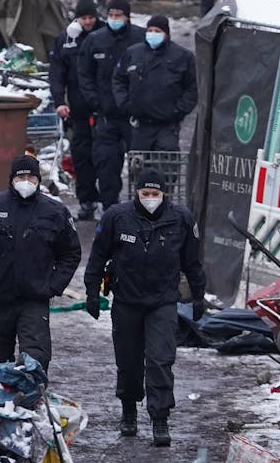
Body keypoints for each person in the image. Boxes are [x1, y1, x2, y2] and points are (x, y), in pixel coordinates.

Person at [82, 169, 206, 446]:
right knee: (128, 361)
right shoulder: (117, 217)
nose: (150, 199)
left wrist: (199, 296)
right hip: (126, 300)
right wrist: (92, 292)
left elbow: (193, 262)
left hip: (162, 301)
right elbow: (98, 256)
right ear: (137, 192)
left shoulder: (180, 220)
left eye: (156, 194)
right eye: (145, 193)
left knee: (161, 359)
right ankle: (128, 409)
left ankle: (160, 417)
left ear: (164, 195)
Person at [0, 155, 83, 372]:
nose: (26, 181)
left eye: (31, 177)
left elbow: (71, 253)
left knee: (35, 360)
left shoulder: (55, 212)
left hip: (34, 299)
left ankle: (31, 399)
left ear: (38, 180)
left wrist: (54, 285)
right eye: (21, 176)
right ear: (12, 179)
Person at [77, 0, 145, 209]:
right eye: (111, 16)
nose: (114, 19)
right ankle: (109, 210)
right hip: (106, 116)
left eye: (119, 16)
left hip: (135, 117)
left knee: (140, 165)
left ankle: (141, 208)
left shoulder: (141, 38)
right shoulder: (95, 40)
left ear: (127, 17)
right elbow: (84, 74)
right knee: (106, 164)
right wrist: (95, 101)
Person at [113, 14, 197, 153]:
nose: (153, 34)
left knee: (166, 167)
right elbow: (119, 79)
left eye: (157, 31)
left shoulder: (183, 57)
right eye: (150, 31)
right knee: (139, 167)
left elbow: (193, 87)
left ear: (166, 34)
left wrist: (178, 110)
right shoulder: (133, 53)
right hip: (140, 125)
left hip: (167, 126)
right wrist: (126, 104)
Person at [50, 0, 102, 219]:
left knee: (106, 157)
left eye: (91, 17)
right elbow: (57, 74)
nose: (88, 22)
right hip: (78, 110)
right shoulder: (66, 40)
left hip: (104, 109)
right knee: (81, 156)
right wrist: (59, 102)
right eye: (84, 18)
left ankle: (108, 200)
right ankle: (87, 200)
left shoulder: (105, 37)